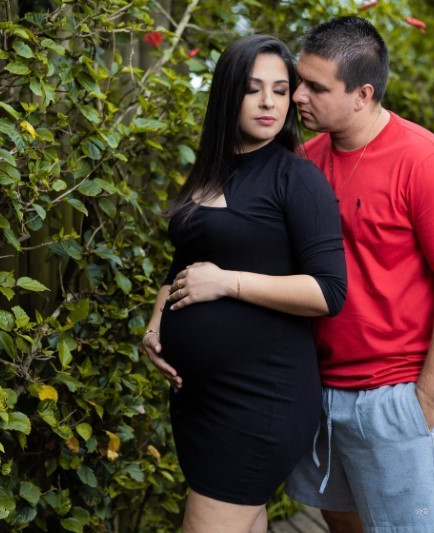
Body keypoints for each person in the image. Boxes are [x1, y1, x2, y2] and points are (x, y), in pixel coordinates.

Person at [284, 16, 434, 533]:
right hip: (318, 389)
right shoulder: (304, 160)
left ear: (362, 94)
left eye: (316, 87)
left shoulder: (427, 162)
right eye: (300, 81)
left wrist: (426, 399)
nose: (298, 96)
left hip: (391, 395)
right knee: (340, 520)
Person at [142, 34, 347, 533]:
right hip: (199, 399)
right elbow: (184, 262)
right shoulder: (210, 171)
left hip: (259, 398)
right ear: (227, 93)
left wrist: (228, 284)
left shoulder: (296, 179)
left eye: (280, 90)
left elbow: (329, 292)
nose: (268, 102)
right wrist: (155, 327)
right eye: (253, 89)